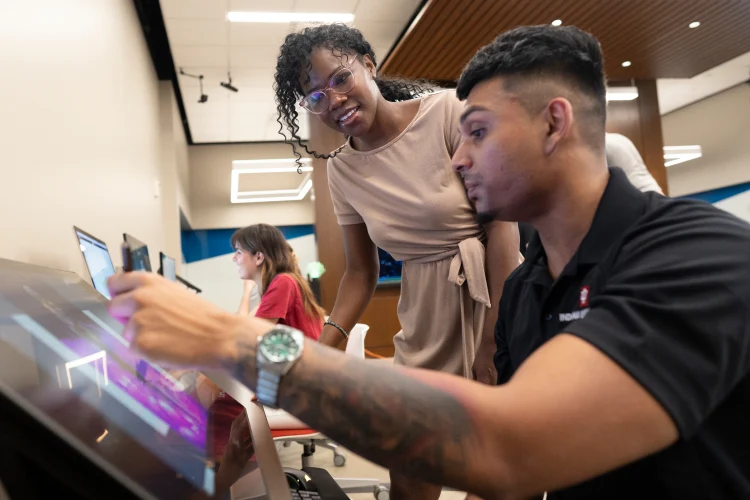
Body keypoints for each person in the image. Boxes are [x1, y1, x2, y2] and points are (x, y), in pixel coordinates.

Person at [107, 25, 750, 499]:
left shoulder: (697, 257)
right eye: (462, 136)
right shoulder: (537, 290)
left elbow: (496, 446)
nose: (459, 160)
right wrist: (284, 364)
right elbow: (440, 421)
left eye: (477, 133)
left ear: (555, 124)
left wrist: (240, 347)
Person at [275, 25, 519, 497]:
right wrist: (320, 352)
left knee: (495, 467)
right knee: (410, 468)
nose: (336, 100)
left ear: (368, 64)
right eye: (317, 97)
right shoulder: (343, 170)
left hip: (499, 289)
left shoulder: (448, 111)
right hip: (424, 315)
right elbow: (360, 273)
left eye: (341, 78)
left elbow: (502, 223)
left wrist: (496, 336)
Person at [201, 223, 325, 462]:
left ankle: (215, 469)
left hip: (298, 386)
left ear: (258, 256)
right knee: (209, 374)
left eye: (238, 252)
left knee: (210, 385)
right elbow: (250, 331)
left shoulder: (283, 283)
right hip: (296, 377)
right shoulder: (282, 282)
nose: (234, 258)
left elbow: (250, 339)